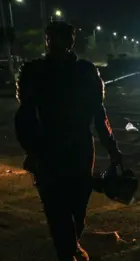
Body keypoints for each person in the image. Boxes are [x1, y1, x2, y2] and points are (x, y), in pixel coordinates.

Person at [14, 21, 122, 261]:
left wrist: (112, 147)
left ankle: (71, 243)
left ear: (71, 41)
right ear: (46, 40)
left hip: (78, 148)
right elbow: (24, 116)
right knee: (56, 208)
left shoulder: (85, 70)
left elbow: (98, 112)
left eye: (60, 38)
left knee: (77, 205)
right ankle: (67, 251)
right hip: (48, 148)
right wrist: (32, 150)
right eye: (51, 37)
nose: (55, 43)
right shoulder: (33, 71)